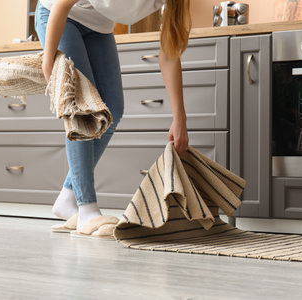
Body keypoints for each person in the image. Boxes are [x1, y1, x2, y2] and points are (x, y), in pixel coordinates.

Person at [35, 0, 191, 232]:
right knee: (83, 108)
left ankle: (68, 197)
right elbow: (62, 5)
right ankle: (86, 208)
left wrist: (180, 119)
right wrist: (49, 64)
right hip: (58, 13)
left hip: (99, 27)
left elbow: (169, 52)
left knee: (113, 109)